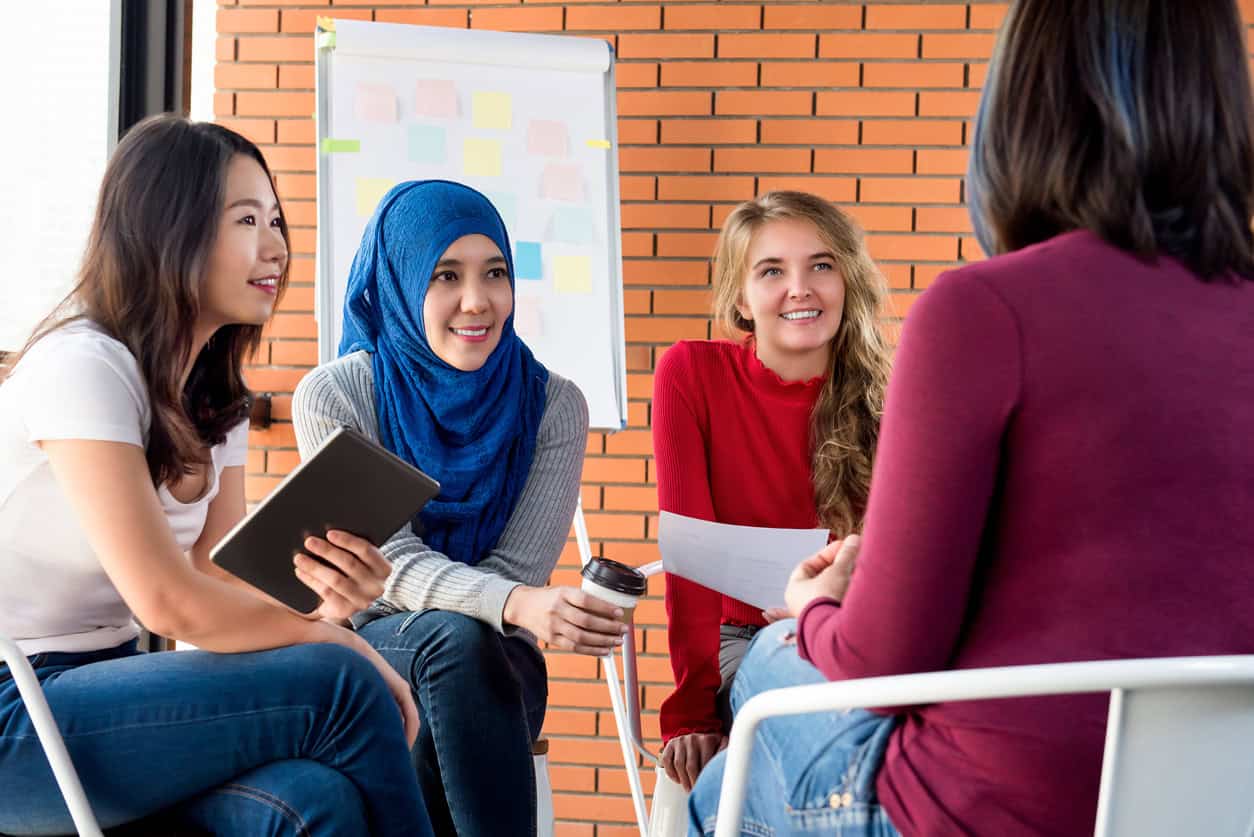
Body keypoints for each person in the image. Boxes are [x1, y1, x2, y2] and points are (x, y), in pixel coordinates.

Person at [687, 1, 1254, 835]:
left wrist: (813, 602)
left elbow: (886, 655)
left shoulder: (981, 312)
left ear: (1025, 99)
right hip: (1218, 802)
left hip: (995, 806)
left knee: (735, 757)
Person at [0, 116, 431, 836]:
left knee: (314, 800)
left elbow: (219, 571)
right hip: (17, 714)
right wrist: (338, 644)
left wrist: (326, 608)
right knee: (342, 681)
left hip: (99, 692)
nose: (276, 247)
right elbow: (168, 601)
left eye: (275, 220)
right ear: (170, 229)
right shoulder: (82, 366)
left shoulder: (211, 394)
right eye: (245, 220)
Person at [291, 179, 621, 837]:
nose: (478, 301)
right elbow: (383, 564)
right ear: (401, 278)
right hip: (372, 637)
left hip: (497, 661)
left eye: (495, 273)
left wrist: (517, 604)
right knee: (442, 659)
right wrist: (518, 604)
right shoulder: (336, 395)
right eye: (446, 275)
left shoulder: (554, 407)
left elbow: (516, 566)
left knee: (461, 653)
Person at [651, 191, 892, 791]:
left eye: (820, 265)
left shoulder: (894, 396)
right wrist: (691, 711)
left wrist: (828, 604)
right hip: (746, 640)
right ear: (740, 298)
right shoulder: (690, 375)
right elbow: (692, 561)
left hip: (857, 629)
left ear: (847, 279)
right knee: (826, 708)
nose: (800, 288)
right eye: (771, 271)